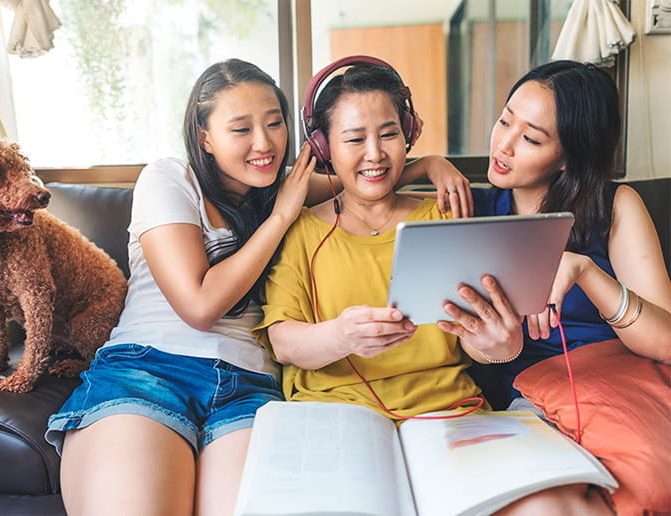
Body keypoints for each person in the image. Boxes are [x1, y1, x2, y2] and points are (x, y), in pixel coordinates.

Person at [45, 58, 470, 515]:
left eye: (274, 123)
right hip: (149, 372)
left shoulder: (284, 186)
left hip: (248, 388)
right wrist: (282, 215)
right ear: (204, 137)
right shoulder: (172, 178)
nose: (264, 143)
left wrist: (429, 163)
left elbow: (361, 172)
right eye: (240, 129)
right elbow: (200, 305)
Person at [257, 59, 614, 515]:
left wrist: (501, 343)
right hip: (336, 416)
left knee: (556, 507)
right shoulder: (302, 231)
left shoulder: (448, 217)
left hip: (451, 414)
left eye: (388, 134)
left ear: (408, 132)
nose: (375, 154)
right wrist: (341, 336)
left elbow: (487, 349)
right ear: (324, 147)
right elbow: (283, 342)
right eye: (354, 139)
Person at [452, 60, 671, 411]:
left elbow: (666, 344)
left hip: (622, 390)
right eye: (505, 120)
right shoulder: (469, 207)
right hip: (532, 400)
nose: (504, 145)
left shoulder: (614, 205)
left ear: (568, 156)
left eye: (530, 138)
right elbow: (346, 192)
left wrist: (584, 272)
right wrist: (423, 165)